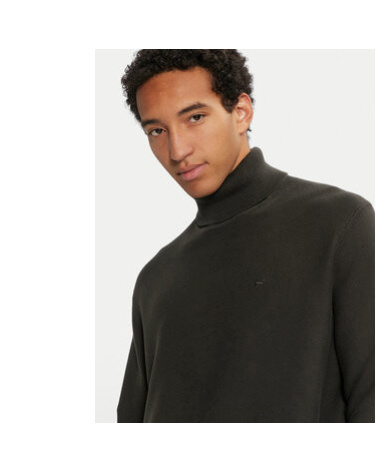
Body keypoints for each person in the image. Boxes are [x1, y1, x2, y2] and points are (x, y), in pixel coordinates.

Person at [117, 49, 375, 423]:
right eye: (156, 130)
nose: (177, 150)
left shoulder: (338, 224)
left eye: (195, 117)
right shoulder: (156, 279)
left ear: (241, 112)